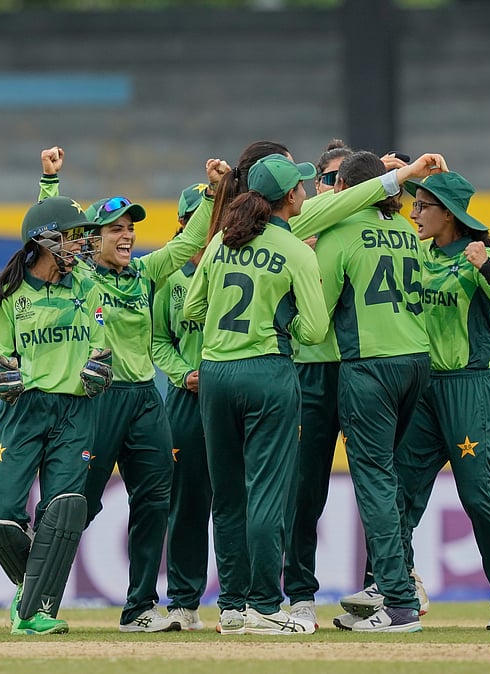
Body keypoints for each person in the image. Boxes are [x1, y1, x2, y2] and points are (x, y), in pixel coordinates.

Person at [38, 147, 214, 632]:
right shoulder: (79, 275)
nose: (128, 235)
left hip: (144, 400)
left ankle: (139, 609)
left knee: (155, 500)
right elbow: (46, 235)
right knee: (78, 505)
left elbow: (189, 242)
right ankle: (34, 598)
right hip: (97, 402)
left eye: (131, 228)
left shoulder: (143, 273)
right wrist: (49, 182)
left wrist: (216, 191)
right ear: (92, 239)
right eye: (116, 229)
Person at [183, 154, 331, 636]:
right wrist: (280, 317)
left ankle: (231, 607)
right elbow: (314, 330)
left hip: (215, 374)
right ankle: (266, 607)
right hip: (267, 372)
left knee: (226, 497)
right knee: (265, 493)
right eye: (302, 187)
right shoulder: (296, 251)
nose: (306, 191)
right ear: (290, 197)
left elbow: (192, 306)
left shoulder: (223, 241)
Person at [395, 171, 490, 630]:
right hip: (424, 389)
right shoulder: (417, 252)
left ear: (449, 215)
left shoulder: (482, 255)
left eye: (422, 207)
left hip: (469, 389)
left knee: (476, 496)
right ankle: (400, 584)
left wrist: (486, 267)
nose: (413, 214)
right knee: (396, 491)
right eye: (413, 205)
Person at [307, 151, 433, 633]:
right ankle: (390, 585)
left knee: (375, 479)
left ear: (344, 189)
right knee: (394, 478)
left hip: (369, 367)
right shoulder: (405, 231)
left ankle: (398, 603)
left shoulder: (338, 234)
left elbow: (318, 320)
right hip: (415, 362)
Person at [0, 196, 112, 636]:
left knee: (67, 508)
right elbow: (1, 355)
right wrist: (5, 374)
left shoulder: (88, 285)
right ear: (46, 240)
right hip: (25, 410)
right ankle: (32, 584)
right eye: (74, 236)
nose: (83, 244)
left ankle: (33, 612)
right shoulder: (12, 296)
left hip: (76, 409)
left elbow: (99, 342)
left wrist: (99, 364)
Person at [283, 140, 353, 628]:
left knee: (377, 482)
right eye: (324, 179)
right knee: (305, 489)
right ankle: (300, 593)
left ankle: (389, 585)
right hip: (308, 368)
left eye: (337, 180)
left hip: (357, 367)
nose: (329, 187)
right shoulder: (296, 229)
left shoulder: (365, 228)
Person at [151, 182, 214, 631]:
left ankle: (245, 598)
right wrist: (183, 373)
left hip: (237, 398)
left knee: (242, 501)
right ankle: (184, 602)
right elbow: (158, 340)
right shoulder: (168, 277)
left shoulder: (237, 263)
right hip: (187, 401)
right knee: (187, 505)